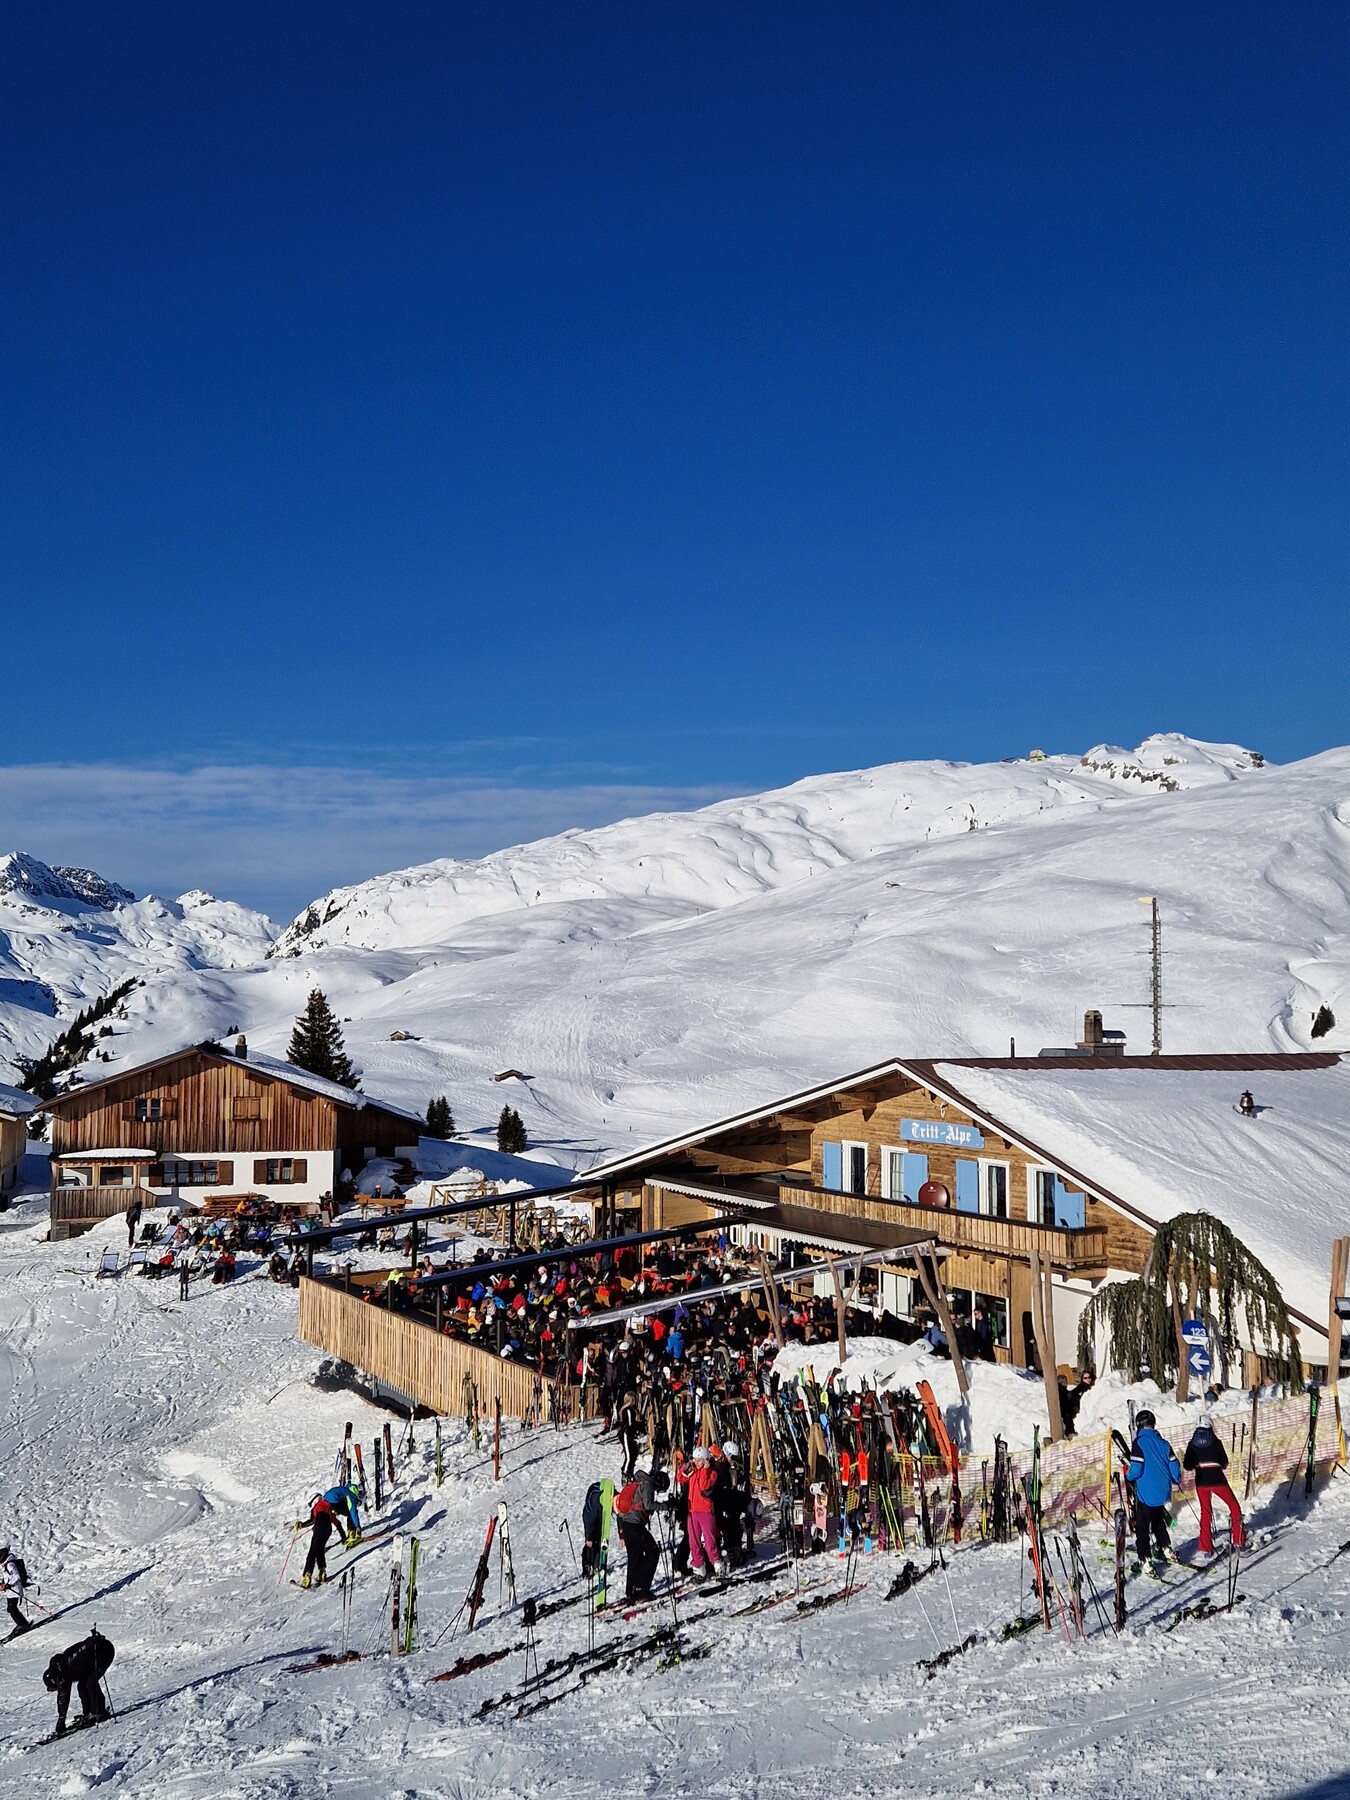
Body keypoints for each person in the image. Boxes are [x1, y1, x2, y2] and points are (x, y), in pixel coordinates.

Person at [1126, 1409, 1183, 1564]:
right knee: (1158, 1521)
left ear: (1139, 1425)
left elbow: (1136, 1469)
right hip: (1163, 1492)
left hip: (1146, 1493)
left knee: (1142, 1527)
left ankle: (1145, 1560)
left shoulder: (1139, 1443)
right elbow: (1174, 1467)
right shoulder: (1164, 1443)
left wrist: (1128, 1476)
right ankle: (1166, 1548)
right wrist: (1176, 1480)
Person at [1184, 1414, 1246, 1555]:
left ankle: (1205, 1547)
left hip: (1201, 1482)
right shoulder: (1216, 1442)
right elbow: (1224, 1462)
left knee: (1205, 1512)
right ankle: (1238, 1540)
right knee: (1234, 1507)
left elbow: (1187, 1465)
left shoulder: (1192, 1444)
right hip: (1218, 1480)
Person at [42, 1629, 114, 1735]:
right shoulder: (62, 1677)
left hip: (103, 1652)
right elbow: (63, 1698)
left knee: (90, 1683)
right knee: (82, 1686)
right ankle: (88, 1713)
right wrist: (61, 1719)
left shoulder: (69, 1660)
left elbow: (83, 1647)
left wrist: (93, 1640)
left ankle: (99, 1712)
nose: (60, 1687)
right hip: (89, 1664)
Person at [613, 1469, 669, 1601]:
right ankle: (642, 1589)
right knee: (653, 1552)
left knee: (635, 1557)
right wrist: (666, 1506)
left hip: (626, 1524)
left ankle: (631, 1591)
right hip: (635, 1525)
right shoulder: (648, 1484)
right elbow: (648, 1505)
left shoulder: (638, 1482)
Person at [676, 1446, 723, 1580]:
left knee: (709, 1541)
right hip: (692, 1511)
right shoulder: (693, 1471)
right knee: (694, 1541)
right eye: (695, 1460)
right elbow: (680, 1478)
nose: (696, 1463)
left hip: (705, 1511)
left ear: (706, 1460)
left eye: (699, 1460)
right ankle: (698, 1568)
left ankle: (718, 1565)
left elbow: (704, 1485)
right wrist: (685, 1467)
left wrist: (705, 1469)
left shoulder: (712, 1473)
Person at [295, 1494, 337, 1588]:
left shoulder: (316, 1507)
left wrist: (302, 1525)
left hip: (320, 1527)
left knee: (312, 1551)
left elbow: (312, 1520)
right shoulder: (327, 1506)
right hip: (328, 1530)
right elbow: (334, 1520)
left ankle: (307, 1576)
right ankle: (322, 1572)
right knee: (320, 1549)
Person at [1, 1545, 32, 1637]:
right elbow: (8, 1577)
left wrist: (8, 1585)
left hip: (15, 1590)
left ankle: (23, 1625)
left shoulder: (10, 1565)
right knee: (11, 1609)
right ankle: (22, 1624)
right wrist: (4, 1584)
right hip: (11, 1591)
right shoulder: (6, 1564)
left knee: (12, 1609)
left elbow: (16, 1576)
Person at [323, 1482, 362, 1546]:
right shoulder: (351, 1494)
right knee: (350, 1513)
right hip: (333, 1501)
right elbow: (353, 1511)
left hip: (326, 1501)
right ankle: (352, 1533)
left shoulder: (345, 1489)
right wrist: (357, 1526)